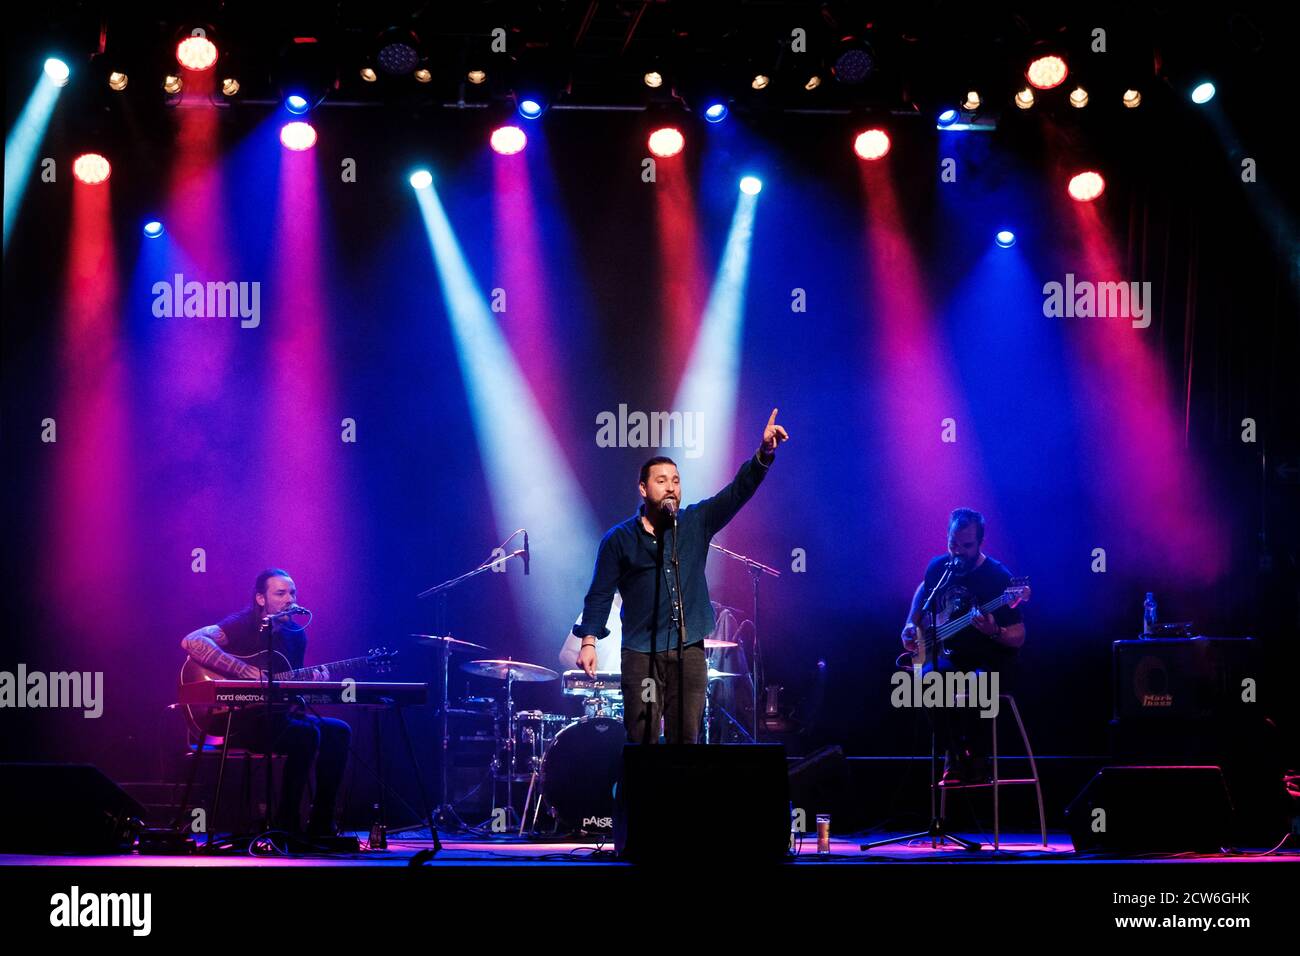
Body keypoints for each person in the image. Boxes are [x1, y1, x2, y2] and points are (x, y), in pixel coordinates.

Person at [574, 409, 789, 744]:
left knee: (684, 741)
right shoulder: (618, 539)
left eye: (676, 481)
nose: (671, 488)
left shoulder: (695, 522)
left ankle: (679, 798)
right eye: (662, 481)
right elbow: (600, 593)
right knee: (642, 738)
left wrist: (764, 455)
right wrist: (589, 641)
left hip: (689, 649)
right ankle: (640, 797)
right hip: (641, 654)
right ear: (643, 489)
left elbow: (736, 493)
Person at [180, 568, 351, 835]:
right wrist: (241, 669)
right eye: (280, 593)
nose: (289, 599)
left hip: (276, 718)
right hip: (234, 720)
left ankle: (321, 823)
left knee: (339, 731)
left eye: (292, 593)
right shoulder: (244, 623)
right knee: (305, 735)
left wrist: (312, 683)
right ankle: (286, 824)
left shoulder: (296, 634)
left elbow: (289, 692)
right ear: (261, 598)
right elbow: (191, 641)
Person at [900, 509, 1025, 785]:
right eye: (953, 544)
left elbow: (1019, 635)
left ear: (980, 543)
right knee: (925, 680)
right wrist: (910, 626)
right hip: (947, 655)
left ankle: (976, 756)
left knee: (976, 683)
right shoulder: (939, 568)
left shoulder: (997, 577)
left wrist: (995, 631)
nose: (958, 552)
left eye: (966, 546)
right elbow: (924, 591)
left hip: (987, 661)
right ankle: (955, 755)